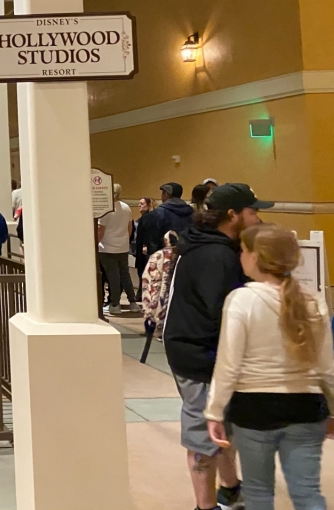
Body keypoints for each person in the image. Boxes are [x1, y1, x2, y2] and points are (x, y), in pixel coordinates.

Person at [206, 224, 334, 510]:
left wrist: (214, 411)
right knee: (307, 493)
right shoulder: (313, 301)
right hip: (307, 407)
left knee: (259, 492)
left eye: (243, 250)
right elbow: (328, 367)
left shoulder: (242, 299)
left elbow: (229, 364)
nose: (240, 256)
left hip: (254, 408)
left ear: (255, 257)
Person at [164, 182, 273, 510]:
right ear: (232, 215)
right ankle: (205, 505)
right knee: (203, 430)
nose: (257, 218)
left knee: (220, 425)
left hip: (193, 347)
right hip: (199, 355)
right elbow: (226, 312)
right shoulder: (217, 255)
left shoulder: (200, 242)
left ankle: (230, 489)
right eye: (252, 211)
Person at [97, 183, 136, 316]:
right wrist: (124, 240)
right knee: (125, 275)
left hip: (107, 247)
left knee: (113, 276)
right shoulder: (126, 208)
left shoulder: (106, 209)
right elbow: (129, 228)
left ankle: (115, 304)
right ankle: (133, 302)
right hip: (123, 246)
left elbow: (100, 231)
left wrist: (94, 244)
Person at [143, 182, 194, 256]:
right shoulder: (191, 211)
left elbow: (154, 241)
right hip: (185, 254)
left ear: (166, 194)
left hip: (165, 256)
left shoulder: (158, 213)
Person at [133, 196, 154, 300]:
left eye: (142, 203)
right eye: (139, 203)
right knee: (140, 270)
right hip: (140, 249)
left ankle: (142, 293)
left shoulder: (148, 218)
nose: (139, 205)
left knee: (143, 271)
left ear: (149, 205)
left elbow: (148, 234)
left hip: (144, 250)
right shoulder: (141, 219)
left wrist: (145, 245)